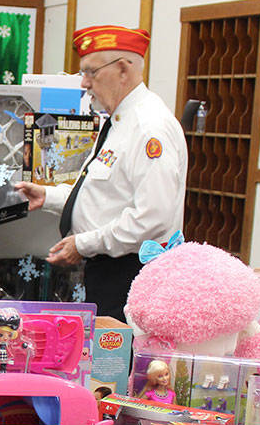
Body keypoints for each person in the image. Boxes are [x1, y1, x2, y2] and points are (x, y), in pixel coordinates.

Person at [14, 26, 187, 321]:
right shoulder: (119, 121)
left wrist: (84, 244)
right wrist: (50, 196)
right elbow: (106, 194)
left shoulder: (149, 127)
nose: (84, 83)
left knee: (119, 364)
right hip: (109, 270)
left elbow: (151, 218)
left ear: (122, 70)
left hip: (131, 274)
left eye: (91, 72)